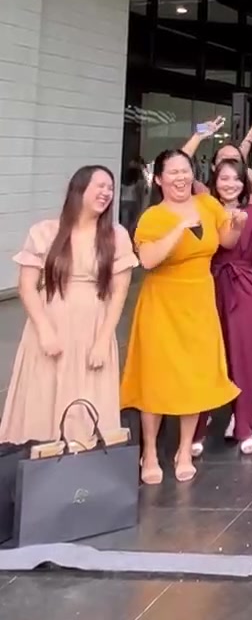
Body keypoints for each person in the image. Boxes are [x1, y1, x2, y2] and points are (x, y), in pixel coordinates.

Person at [121, 149, 242, 484]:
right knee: (155, 377)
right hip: (162, 304)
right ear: (159, 180)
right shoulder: (153, 217)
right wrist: (178, 229)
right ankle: (149, 452)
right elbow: (148, 260)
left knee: (194, 376)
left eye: (185, 170)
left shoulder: (208, 205)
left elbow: (227, 241)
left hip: (199, 300)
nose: (181, 177)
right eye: (172, 172)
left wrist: (236, 225)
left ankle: (185, 450)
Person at [1, 166, 136, 447]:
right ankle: (38, 461)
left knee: (87, 401)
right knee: (42, 395)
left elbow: (119, 294)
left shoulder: (116, 236)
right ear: (79, 189)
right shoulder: (45, 231)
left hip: (93, 328)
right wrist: (44, 330)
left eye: (110, 188)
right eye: (99, 186)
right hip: (50, 325)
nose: (106, 193)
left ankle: (83, 464)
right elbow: (27, 286)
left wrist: (103, 340)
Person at [209, 157, 252, 456]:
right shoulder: (205, 210)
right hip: (208, 286)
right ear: (214, 181)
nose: (230, 184)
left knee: (245, 357)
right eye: (224, 178)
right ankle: (197, 427)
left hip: (244, 287)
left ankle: (244, 424)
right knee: (208, 357)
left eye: (236, 179)